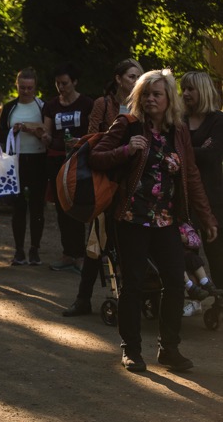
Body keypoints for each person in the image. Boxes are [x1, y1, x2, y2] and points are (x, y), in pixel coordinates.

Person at [89, 69, 218, 372]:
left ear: (168, 98)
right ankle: (131, 350)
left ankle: (169, 349)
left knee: (174, 282)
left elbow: (191, 176)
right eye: (145, 94)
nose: (150, 99)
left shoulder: (178, 131)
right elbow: (96, 157)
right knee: (133, 284)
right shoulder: (127, 124)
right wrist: (126, 150)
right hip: (131, 218)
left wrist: (207, 217)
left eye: (156, 94)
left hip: (166, 221)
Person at [62, 58, 144, 316]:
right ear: (119, 79)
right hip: (106, 178)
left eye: (139, 77)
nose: (136, 81)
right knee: (96, 240)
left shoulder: (145, 104)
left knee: (130, 242)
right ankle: (83, 299)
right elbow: (92, 139)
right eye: (131, 76)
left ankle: (135, 298)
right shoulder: (104, 104)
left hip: (135, 182)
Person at [41, 62, 94, 273]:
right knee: (61, 208)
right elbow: (47, 132)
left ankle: (80, 255)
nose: (61, 87)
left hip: (79, 161)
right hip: (56, 160)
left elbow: (93, 132)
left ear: (74, 82)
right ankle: (67, 253)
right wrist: (44, 137)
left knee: (77, 206)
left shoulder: (87, 104)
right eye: (58, 83)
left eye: (64, 83)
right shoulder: (51, 105)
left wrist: (80, 142)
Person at [0, 67, 46, 265]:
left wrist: (36, 131)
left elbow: (48, 132)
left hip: (38, 160)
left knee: (37, 207)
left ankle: (34, 249)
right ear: (16, 86)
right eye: (22, 87)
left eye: (29, 88)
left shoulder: (42, 106)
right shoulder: (10, 107)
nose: (26, 91)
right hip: (15, 161)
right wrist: (14, 131)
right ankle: (19, 250)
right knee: (18, 206)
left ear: (35, 88)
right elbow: (0, 133)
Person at [181, 70, 223, 292]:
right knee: (187, 252)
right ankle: (195, 299)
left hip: (212, 198)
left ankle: (220, 301)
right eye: (183, 89)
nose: (185, 93)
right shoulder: (179, 120)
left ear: (203, 91)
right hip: (183, 197)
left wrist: (184, 151)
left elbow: (212, 155)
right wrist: (199, 149)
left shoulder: (218, 120)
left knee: (216, 254)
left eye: (191, 89)